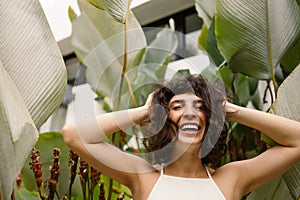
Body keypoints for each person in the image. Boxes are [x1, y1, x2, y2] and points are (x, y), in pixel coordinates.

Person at [62, 74, 300, 200]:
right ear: (165, 119)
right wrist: (144, 112)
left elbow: (296, 141)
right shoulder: (143, 177)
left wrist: (230, 110)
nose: (189, 113)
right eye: (177, 107)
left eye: (199, 106)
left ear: (209, 119)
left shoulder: (231, 178)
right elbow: (74, 135)